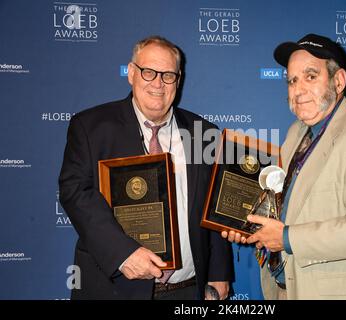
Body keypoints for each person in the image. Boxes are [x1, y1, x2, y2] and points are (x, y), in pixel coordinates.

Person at [223, 34, 346, 299]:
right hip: (287, 289)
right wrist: (249, 226)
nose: (298, 89)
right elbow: (286, 207)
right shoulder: (295, 133)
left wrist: (287, 239)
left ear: (338, 81)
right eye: (292, 80)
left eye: (310, 76)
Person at [59, 35, 233, 300]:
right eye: (149, 72)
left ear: (179, 79)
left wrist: (218, 273)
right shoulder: (91, 127)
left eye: (168, 75)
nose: (158, 84)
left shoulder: (203, 133)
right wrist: (122, 252)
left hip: (186, 290)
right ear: (131, 73)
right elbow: (75, 193)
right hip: (113, 288)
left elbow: (214, 206)